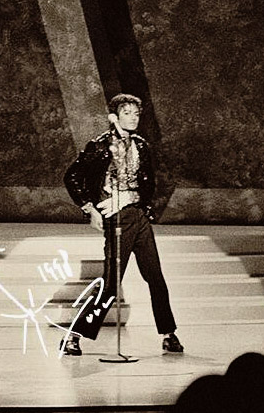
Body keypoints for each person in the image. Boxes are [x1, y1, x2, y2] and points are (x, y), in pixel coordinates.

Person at [62, 93, 182, 356]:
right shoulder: (100, 145)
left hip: (139, 216)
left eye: (136, 114)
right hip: (117, 218)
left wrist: (136, 198)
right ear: (114, 117)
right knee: (111, 285)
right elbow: (72, 176)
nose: (133, 118)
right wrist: (90, 208)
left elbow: (149, 184)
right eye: (127, 113)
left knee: (155, 277)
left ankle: (168, 334)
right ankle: (73, 336)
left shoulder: (141, 145)